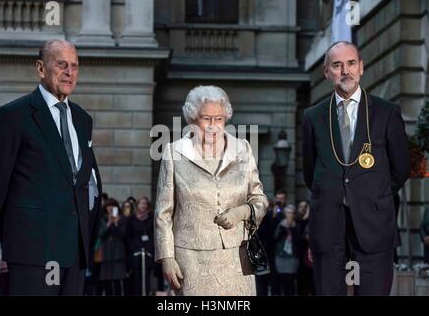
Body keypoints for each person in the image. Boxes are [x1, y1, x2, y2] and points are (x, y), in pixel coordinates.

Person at [0, 39, 102, 295]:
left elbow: (83, 183)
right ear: (40, 68)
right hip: (33, 252)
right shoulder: (14, 115)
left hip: (75, 253)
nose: (70, 72)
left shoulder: (82, 119)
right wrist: (17, 235)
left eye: (75, 66)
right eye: (61, 65)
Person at [302, 41, 410, 295]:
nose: (345, 71)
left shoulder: (387, 113)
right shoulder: (313, 116)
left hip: (373, 224)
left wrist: (373, 191)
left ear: (361, 68)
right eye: (337, 65)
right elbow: (310, 173)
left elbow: (401, 169)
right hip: (329, 225)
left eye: (351, 63)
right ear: (327, 72)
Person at [154, 85, 268, 296]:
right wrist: (167, 258)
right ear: (193, 119)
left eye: (219, 119)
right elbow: (163, 213)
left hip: (236, 259)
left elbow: (259, 199)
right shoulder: (174, 152)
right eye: (206, 119)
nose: (213, 126)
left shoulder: (243, 149)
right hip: (191, 261)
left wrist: (241, 212)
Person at [125, 196, 155, 295]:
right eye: (141, 203)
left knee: (146, 277)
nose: (143, 205)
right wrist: (131, 249)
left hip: (147, 252)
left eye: (145, 204)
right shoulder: (131, 218)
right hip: (135, 252)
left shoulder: (151, 218)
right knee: (136, 278)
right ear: (137, 205)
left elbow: (153, 235)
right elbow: (128, 235)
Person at [99, 198, 127, 296]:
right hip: (106, 252)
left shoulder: (122, 218)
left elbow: (122, 234)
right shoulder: (102, 219)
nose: (110, 208)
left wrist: (116, 223)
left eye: (112, 205)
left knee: (117, 280)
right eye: (108, 206)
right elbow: (101, 235)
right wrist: (109, 222)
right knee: (107, 281)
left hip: (118, 252)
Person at [273, 204, 301, 296]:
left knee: (290, 280)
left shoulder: (297, 224)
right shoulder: (281, 224)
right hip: (281, 257)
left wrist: (292, 228)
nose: (289, 214)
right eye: (288, 212)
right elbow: (275, 238)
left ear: (294, 214)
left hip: (292, 257)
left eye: (291, 213)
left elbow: (299, 241)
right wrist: (283, 228)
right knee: (282, 280)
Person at [295, 200, 315, 296]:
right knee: (302, 287)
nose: (302, 209)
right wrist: (305, 219)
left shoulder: (313, 221)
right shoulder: (297, 221)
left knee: (313, 285)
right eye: (300, 207)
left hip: (312, 260)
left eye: (305, 207)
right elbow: (299, 239)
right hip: (301, 259)